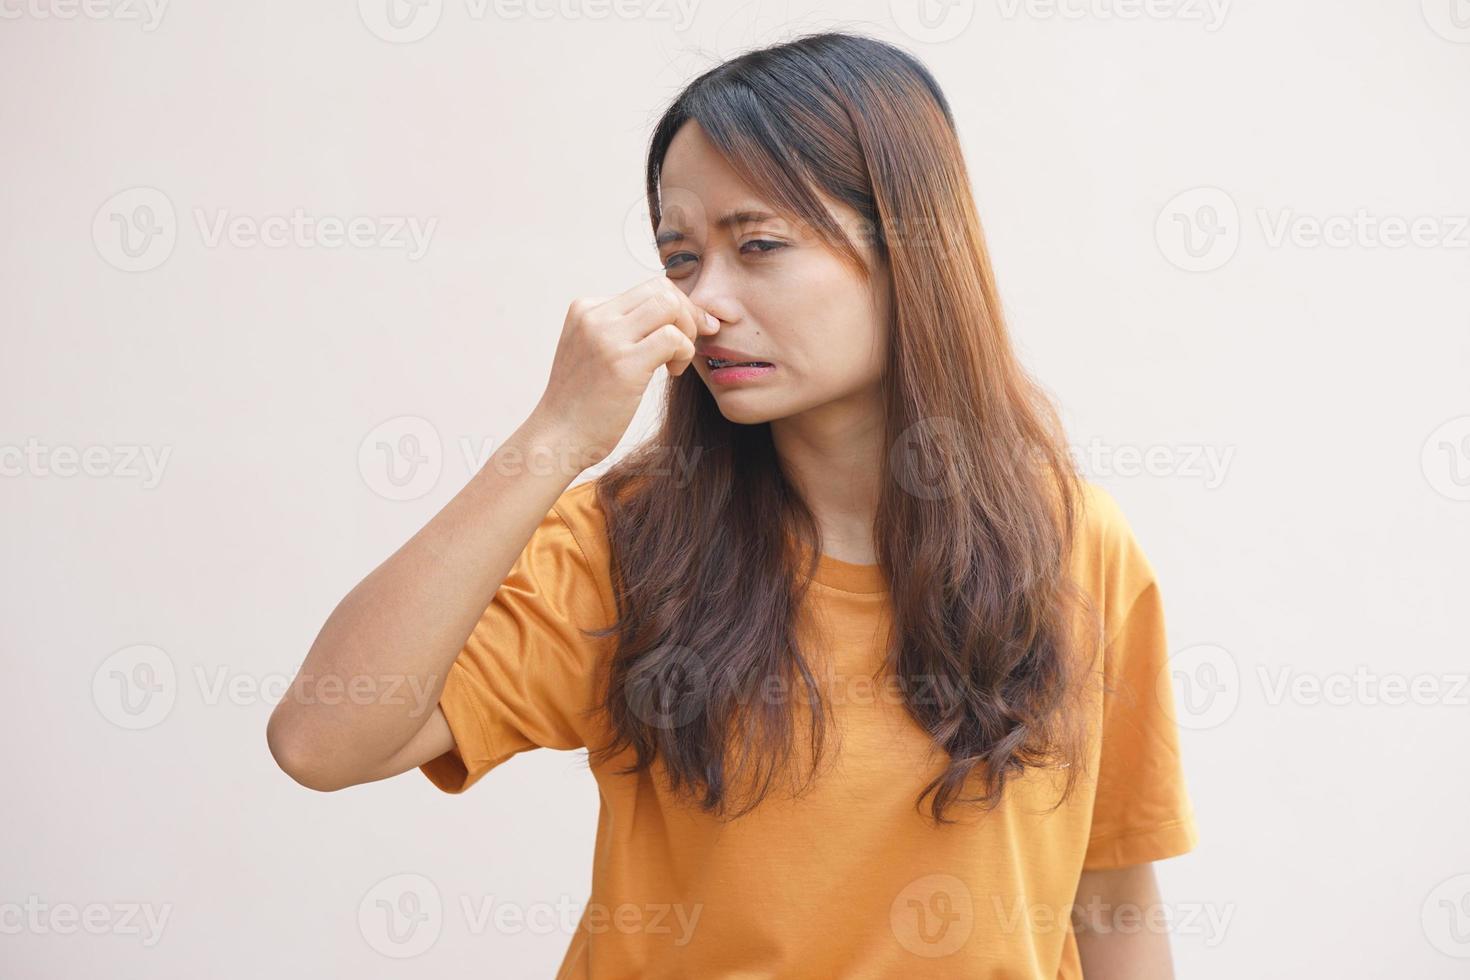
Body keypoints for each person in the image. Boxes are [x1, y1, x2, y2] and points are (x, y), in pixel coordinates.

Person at [266, 29, 1199, 979]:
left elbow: (1114, 902)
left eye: (758, 245)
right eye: (680, 259)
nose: (704, 303)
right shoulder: (627, 545)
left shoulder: (1077, 547)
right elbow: (321, 741)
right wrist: (554, 436)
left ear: (913, 251)